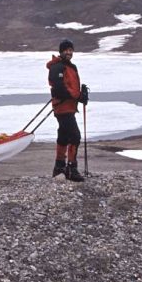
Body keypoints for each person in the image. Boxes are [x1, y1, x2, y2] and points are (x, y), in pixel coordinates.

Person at [47, 39, 88, 182]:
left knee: (64, 135)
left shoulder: (71, 67)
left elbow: (70, 88)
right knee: (75, 136)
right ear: (61, 51)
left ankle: (59, 167)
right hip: (62, 107)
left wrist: (80, 97)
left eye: (71, 50)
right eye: (66, 50)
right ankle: (71, 168)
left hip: (69, 107)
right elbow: (58, 88)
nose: (69, 52)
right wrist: (78, 96)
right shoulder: (56, 67)